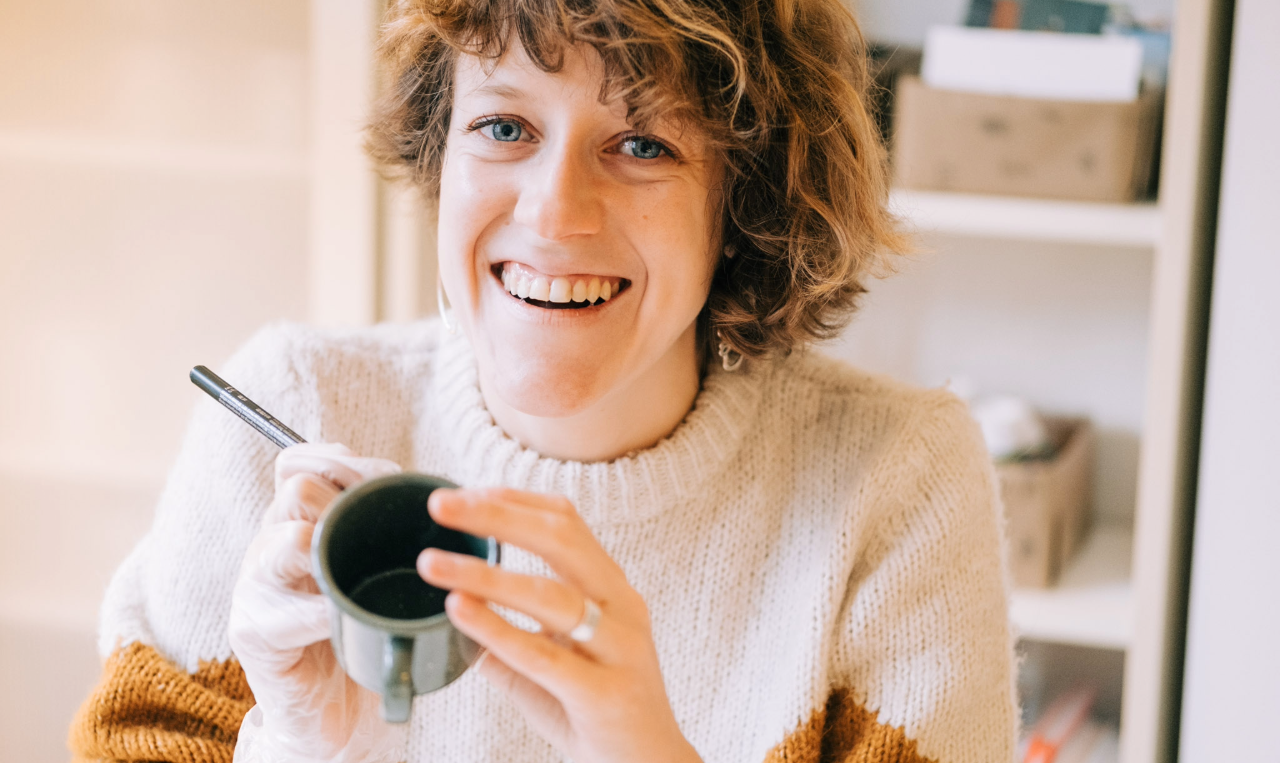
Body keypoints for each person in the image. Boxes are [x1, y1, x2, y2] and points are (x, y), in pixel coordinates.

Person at [69, 0, 1016, 759]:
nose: (556, 213)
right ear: (440, 153)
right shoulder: (293, 411)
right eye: (505, 125)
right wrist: (291, 746)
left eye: (643, 144)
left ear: (745, 201)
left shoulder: (895, 485)